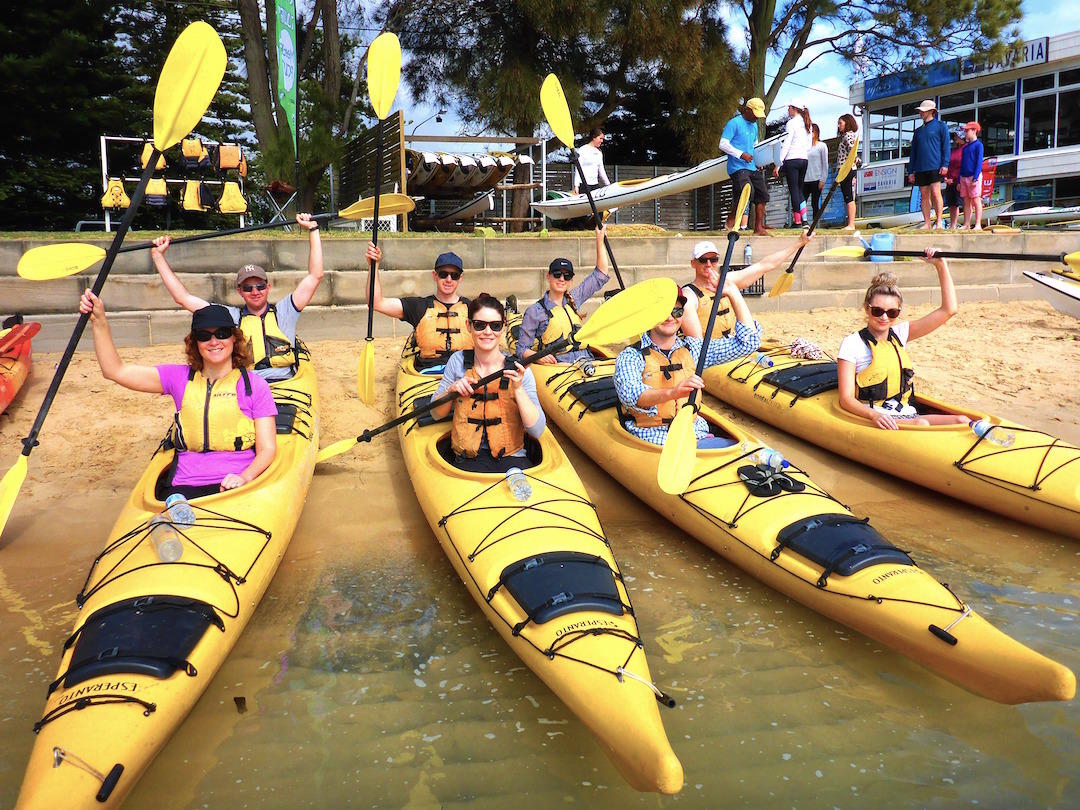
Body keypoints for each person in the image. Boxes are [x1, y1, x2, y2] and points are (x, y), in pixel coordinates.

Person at [78, 292, 277, 498]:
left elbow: (268, 449)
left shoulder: (254, 385)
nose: (214, 341)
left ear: (234, 339)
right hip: (184, 484)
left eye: (222, 333)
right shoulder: (178, 378)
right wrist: (99, 321)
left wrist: (245, 477)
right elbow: (115, 371)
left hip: (235, 482)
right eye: (204, 335)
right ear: (195, 343)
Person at [151, 213, 323, 381]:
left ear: (268, 287)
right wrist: (158, 257)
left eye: (260, 286)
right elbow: (183, 298)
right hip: (250, 385)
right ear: (240, 291)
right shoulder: (230, 317)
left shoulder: (286, 311)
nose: (255, 292)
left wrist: (313, 229)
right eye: (248, 288)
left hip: (286, 382)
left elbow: (315, 275)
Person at [613, 284, 761, 447]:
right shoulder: (631, 356)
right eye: (663, 312)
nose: (670, 318)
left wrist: (733, 293)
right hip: (655, 438)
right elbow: (631, 396)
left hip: (695, 432)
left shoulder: (695, 348)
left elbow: (749, 343)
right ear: (650, 315)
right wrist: (673, 392)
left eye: (677, 311)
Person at [836, 250, 969, 430]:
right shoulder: (852, 343)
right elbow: (845, 399)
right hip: (876, 417)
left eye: (892, 313)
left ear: (899, 312)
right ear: (867, 309)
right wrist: (874, 415)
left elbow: (949, 310)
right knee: (921, 423)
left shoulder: (900, 334)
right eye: (877, 311)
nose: (884, 317)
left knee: (962, 420)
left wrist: (940, 265)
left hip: (906, 412)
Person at [430, 294, 546, 473]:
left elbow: (537, 431)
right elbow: (436, 414)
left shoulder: (518, 370)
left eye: (495, 326)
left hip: (512, 461)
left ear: (503, 327)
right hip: (467, 460)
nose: (487, 332)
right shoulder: (457, 361)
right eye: (479, 325)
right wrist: (451, 391)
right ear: (469, 326)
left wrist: (518, 389)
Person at [681, 231, 812, 340]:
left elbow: (765, 265)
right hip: (711, 353)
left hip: (732, 341)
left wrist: (799, 243)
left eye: (713, 260)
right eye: (703, 260)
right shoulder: (689, 294)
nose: (709, 264)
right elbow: (696, 342)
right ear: (693, 263)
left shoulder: (728, 280)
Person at [516, 224, 611, 364]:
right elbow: (522, 349)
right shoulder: (535, 311)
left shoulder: (574, 298)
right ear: (548, 277)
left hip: (585, 361)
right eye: (557, 274)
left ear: (571, 280)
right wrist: (538, 356)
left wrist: (599, 239)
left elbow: (601, 275)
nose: (561, 279)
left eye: (566, 276)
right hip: (558, 367)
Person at [368, 246, 472, 372]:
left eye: (454, 275)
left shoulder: (473, 308)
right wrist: (374, 265)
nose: (448, 280)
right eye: (443, 274)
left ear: (460, 278)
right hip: (428, 371)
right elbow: (376, 302)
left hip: (465, 370)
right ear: (435, 276)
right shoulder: (419, 306)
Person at [719, 97, 771, 235]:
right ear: (747, 110)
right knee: (747, 192)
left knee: (763, 195)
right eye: (755, 114)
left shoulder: (754, 126)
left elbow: (754, 146)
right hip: (737, 167)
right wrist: (741, 154)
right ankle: (732, 217)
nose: (756, 118)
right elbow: (723, 144)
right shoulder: (734, 123)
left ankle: (758, 227)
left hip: (752, 166)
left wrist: (759, 161)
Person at [906, 100, 950, 230]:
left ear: (931, 111)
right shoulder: (918, 131)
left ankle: (939, 221)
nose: (920, 113)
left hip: (935, 165)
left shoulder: (941, 126)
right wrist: (911, 171)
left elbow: (946, 146)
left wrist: (945, 164)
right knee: (924, 195)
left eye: (923, 111)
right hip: (920, 167)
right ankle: (927, 222)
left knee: (936, 193)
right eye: (920, 110)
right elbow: (913, 152)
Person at [773, 100, 812, 226]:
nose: (788, 110)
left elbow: (787, 144)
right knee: (800, 189)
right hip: (804, 159)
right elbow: (809, 145)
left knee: (794, 190)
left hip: (792, 159)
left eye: (789, 107)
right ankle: (805, 219)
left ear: (794, 108)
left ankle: (797, 220)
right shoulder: (807, 124)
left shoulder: (791, 123)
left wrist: (778, 163)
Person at [959, 121, 985, 231]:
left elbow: (979, 162)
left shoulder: (979, 145)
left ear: (974, 131)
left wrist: (975, 177)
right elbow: (962, 164)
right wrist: (959, 181)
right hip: (964, 176)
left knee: (976, 199)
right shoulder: (965, 147)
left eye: (967, 130)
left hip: (974, 176)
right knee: (966, 201)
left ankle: (978, 224)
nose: (965, 133)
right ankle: (966, 224)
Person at [836, 113, 860, 230]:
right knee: (848, 197)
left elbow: (852, 151)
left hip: (847, 170)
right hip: (846, 170)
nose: (838, 125)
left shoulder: (848, 136)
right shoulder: (847, 136)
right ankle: (850, 223)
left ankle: (851, 224)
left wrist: (857, 161)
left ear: (847, 123)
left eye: (840, 123)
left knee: (849, 197)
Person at [572, 127, 610, 196]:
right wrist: (576, 186)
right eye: (600, 138)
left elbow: (601, 171)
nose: (602, 141)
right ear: (594, 138)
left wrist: (608, 185)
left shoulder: (598, 152)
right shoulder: (583, 150)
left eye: (602, 139)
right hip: (584, 185)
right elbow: (578, 168)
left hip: (595, 185)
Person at [803, 123, 829, 222]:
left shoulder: (822, 146)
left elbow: (825, 163)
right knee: (802, 201)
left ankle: (815, 222)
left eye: (812, 131)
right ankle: (801, 221)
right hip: (805, 179)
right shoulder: (804, 147)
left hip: (816, 179)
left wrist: (823, 179)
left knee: (815, 203)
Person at [944, 127, 966, 230]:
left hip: (959, 180)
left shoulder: (966, 148)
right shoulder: (953, 149)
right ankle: (953, 225)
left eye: (957, 135)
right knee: (952, 204)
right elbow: (947, 163)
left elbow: (964, 166)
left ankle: (967, 224)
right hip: (949, 180)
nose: (955, 137)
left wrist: (956, 180)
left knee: (963, 202)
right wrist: (946, 177)